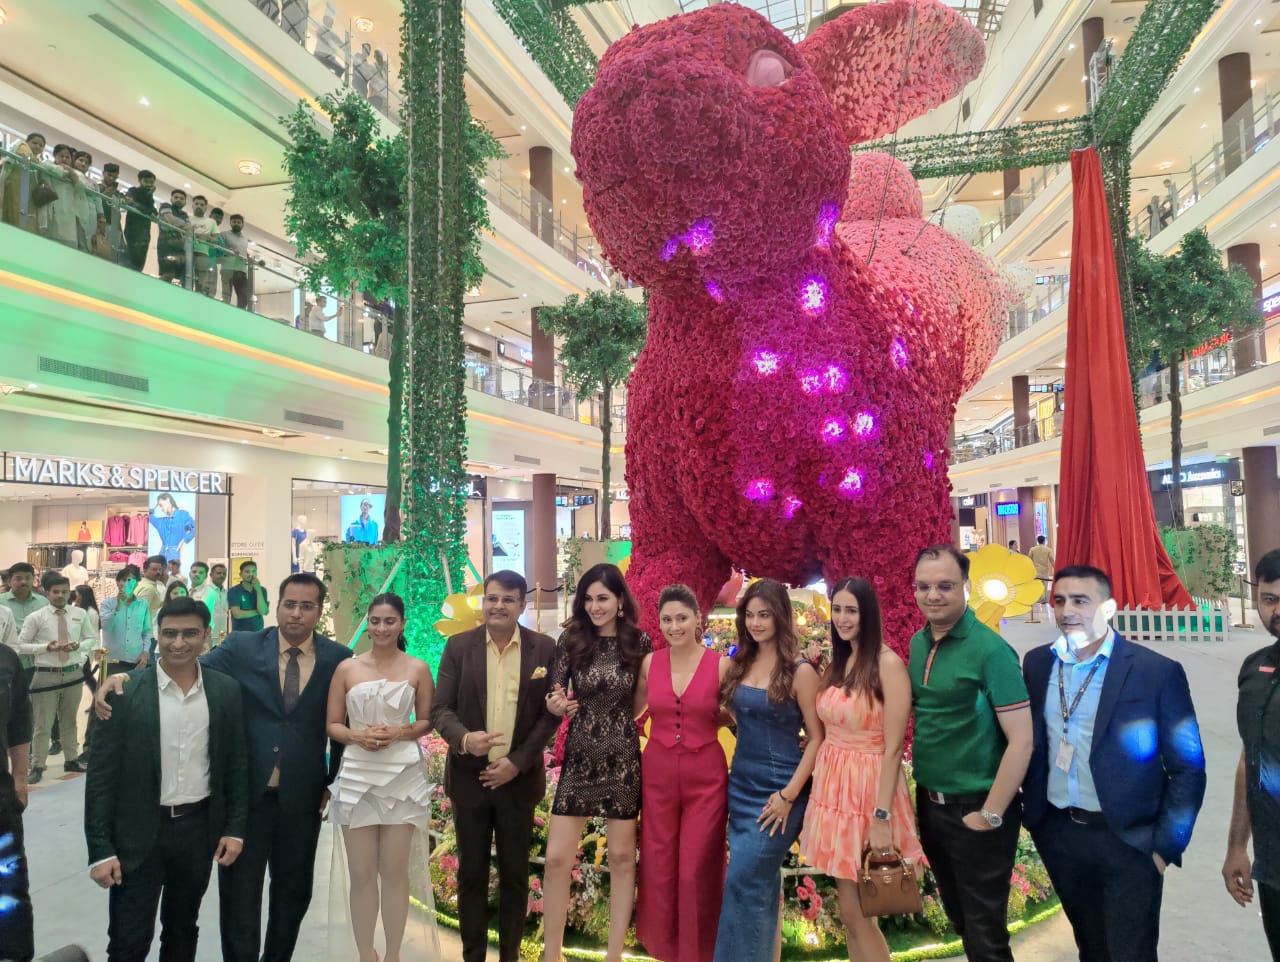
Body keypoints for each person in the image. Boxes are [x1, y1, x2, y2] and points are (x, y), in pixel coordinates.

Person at [97, 572, 352, 962]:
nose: (296, 614)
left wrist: (333, 781)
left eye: (307, 606)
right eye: (289, 604)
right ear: (277, 606)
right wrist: (122, 677)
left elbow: (343, 724)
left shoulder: (338, 658)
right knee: (239, 897)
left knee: (294, 892)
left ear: (320, 610)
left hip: (303, 798)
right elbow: (181, 665)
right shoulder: (242, 646)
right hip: (246, 798)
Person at [1023, 564, 1206, 961]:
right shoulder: (1037, 665)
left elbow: (1188, 767)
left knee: (1130, 952)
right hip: (1060, 833)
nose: (1067, 610)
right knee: (1090, 947)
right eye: (1059, 600)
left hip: (1128, 841)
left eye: (1080, 600)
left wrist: (1163, 848)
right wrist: (1038, 824)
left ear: (1108, 608)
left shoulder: (1155, 672)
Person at [85, 597, 248, 962]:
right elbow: (100, 778)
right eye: (169, 633)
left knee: (182, 930)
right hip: (137, 833)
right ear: (156, 635)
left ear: (207, 636)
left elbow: (236, 765)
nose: (178, 642)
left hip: (197, 832)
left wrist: (234, 829)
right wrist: (100, 849)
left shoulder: (225, 691)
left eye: (190, 633)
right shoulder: (125, 693)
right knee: (128, 940)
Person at [908, 544, 1031, 962]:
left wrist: (991, 813)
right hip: (931, 804)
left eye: (945, 586)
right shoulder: (919, 644)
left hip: (978, 805)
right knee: (961, 919)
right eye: (923, 586)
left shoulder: (991, 651)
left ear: (966, 586)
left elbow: (1022, 739)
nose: (932, 595)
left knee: (985, 936)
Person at [430, 570, 559, 962]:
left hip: (518, 782)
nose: (498, 606)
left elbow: (549, 715)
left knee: (515, 877)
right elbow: (440, 709)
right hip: (470, 779)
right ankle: (472, 956)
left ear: (522, 604)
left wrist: (516, 763)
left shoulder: (544, 648)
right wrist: (465, 740)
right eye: (492, 598)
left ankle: (509, 956)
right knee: (471, 875)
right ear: (483, 601)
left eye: (507, 599)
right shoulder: (459, 647)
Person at [799, 577, 921, 962]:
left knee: (863, 913)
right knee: (850, 914)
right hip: (834, 789)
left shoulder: (888, 664)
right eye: (837, 609)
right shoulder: (841, 661)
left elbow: (894, 747)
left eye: (851, 610)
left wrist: (881, 817)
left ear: (868, 614)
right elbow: (834, 715)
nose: (842, 618)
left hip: (869, 792)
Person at [542, 563, 652, 962]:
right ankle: (551, 955)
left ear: (620, 599)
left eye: (602, 598)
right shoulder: (571, 639)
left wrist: (615, 718)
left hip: (621, 757)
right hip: (579, 757)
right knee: (557, 859)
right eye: (588, 599)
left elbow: (640, 703)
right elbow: (554, 693)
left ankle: (614, 955)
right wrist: (557, 704)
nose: (594, 606)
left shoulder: (639, 642)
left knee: (622, 858)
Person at [711, 578, 823, 962]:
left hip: (782, 791)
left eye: (765, 615)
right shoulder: (739, 663)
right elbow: (730, 715)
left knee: (742, 879)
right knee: (759, 883)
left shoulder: (800, 670)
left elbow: (817, 738)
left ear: (780, 617)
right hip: (741, 785)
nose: (756, 622)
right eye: (750, 615)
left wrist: (789, 796)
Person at [327, 593, 438, 962]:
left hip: (402, 775)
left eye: (389, 621)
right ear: (368, 623)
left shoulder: (418, 668)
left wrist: (399, 732)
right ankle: (365, 954)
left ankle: (393, 955)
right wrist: (357, 736)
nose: (381, 628)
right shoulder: (347, 668)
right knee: (361, 875)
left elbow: (427, 721)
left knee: (394, 873)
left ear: (402, 624)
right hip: (358, 774)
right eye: (375, 621)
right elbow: (332, 724)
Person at [632, 584, 729, 962]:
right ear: (658, 622)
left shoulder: (720, 665)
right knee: (658, 862)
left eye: (682, 618)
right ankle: (662, 949)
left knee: (695, 867)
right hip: (657, 774)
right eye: (667, 619)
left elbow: (739, 712)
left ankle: (697, 951)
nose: (675, 626)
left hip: (706, 777)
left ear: (698, 619)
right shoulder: (649, 664)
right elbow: (631, 710)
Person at [1225, 547, 1280, 956]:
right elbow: (1250, 757)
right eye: (1269, 599)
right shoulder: (1254, 668)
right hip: (1272, 860)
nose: (1277, 610)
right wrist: (1236, 846)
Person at [17, 575, 96, 783]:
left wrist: (79, 646)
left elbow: (91, 638)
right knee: (43, 724)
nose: (60, 595)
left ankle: (71, 759)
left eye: (64, 592)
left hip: (73, 674)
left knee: (69, 720)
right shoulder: (36, 617)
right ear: (47, 592)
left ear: (70, 592)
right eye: (56, 592)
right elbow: (20, 645)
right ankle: (37, 765)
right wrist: (46, 648)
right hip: (45, 675)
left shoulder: (79, 614)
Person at [0, 628, 32, 962]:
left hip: (1, 802)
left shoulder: (6, 659)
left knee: (10, 897)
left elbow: (19, 722)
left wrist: (20, 777)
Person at [1, 561, 50, 680]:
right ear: (9, 582)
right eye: (18, 578)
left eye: (28, 578)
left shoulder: (43, 602)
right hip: (8, 665)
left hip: (38, 663)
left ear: (33, 580)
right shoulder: (1, 603)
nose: (24, 582)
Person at [100, 565, 152, 675]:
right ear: (118, 582)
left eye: (131, 580)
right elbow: (106, 626)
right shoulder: (107, 604)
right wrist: (118, 607)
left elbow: (146, 631)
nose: (127, 584)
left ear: (137, 583)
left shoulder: (143, 604)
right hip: (113, 660)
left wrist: (146, 652)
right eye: (124, 580)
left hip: (136, 660)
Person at [1, 131, 45, 230]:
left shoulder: (38, 160)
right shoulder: (22, 145)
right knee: (14, 214)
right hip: (15, 186)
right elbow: (27, 157)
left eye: (41, 145)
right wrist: (40, 165)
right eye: (35, 143)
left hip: (26, 191)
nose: (37, 146)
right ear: (27, 142)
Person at [123, 170, 158, 271]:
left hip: (145, 232)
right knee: (131, 259)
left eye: (151, 182)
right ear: (139, 180)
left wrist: (149, 196)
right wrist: (147, 210)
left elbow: (154, 212)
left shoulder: (150, 197)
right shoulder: (133, 191)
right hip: (133, 230)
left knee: (141, 262)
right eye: (146, 181)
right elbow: (131, 203)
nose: (149, 184)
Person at [157, 189, 192, 285]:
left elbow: (189, 228)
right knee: (168, 274)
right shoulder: (165, 206)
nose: (178, 199)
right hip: (165, 246)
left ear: (185, 202)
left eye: (181, 198)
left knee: (182, 277)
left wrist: (175, 223)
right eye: (176, 197)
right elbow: (170, 219)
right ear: (171, 199)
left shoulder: (184, 214)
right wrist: (182, 224)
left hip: (180, 249)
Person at [150, 494, 195, 564]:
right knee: (159, 570)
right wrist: (155, 505)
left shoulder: (182, 515)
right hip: (162, 551)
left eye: (161, 505)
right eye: (159, 506)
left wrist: (183, 541)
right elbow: (150, 516)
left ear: (168, 500)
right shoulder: (162, 522)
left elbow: (194, 528)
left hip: (174, 551)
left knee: (172, 570)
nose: (161, 508)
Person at [228, 561, 269, 632]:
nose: (251, 574)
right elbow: (237, 614)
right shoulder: (234, 591)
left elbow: (262, 610)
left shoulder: (262, 590)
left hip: (258, 633)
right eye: (247, 572)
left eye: (253, 571)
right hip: (240, 634)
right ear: (241, 574)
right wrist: (257, 612)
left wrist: (258, 590)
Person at [220, 214, 251, 308]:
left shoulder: (245, 239)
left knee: (244, 296)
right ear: (230, 223)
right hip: (227, 269)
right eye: (234, 222)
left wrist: (248, 257)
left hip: (241, 270)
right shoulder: (224, 235)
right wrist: (229, 251)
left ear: (242, 224)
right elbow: (219, 250)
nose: (236, 224)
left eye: (238, 222)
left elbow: (243, 251)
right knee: (226, 296)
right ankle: (225, 313)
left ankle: (240, 313)